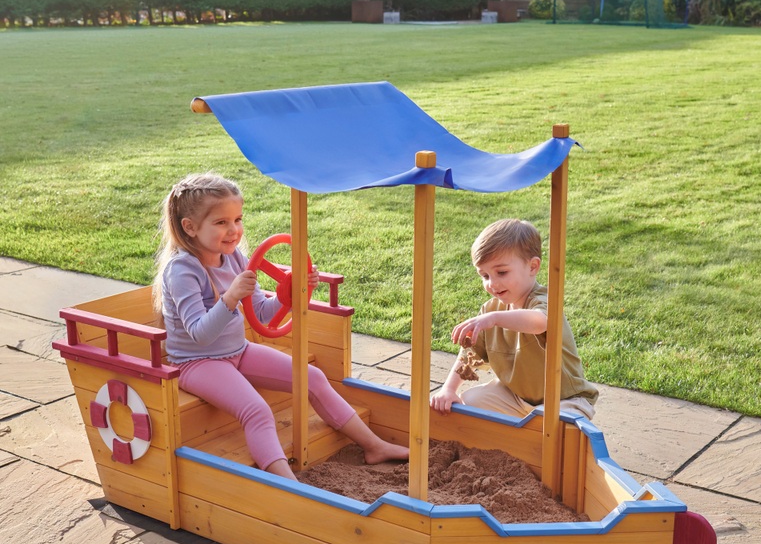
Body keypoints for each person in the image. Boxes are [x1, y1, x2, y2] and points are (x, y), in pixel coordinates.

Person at [153, 173, 408, 481]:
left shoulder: (233, 258)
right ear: (190, 227)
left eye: (237, 219)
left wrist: (288, 294)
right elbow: (200, 334)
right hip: (198, 362)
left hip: (238, 351)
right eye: (221, 223)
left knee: (311, 377)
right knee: (257, 410)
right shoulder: (182, 271)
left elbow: (261, 311)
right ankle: (288, 484)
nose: (233, 230)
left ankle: (374, 446)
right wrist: (232, 296)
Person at [430, 218, 598, 420]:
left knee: (554, 426)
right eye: (485, 276)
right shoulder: (490, 309)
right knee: (471, 401)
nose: (492, 283)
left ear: (533, 267)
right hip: (517, 398)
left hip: (565, 400)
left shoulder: (544, 300)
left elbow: (539, 322)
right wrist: (449, 389)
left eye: (501, 272)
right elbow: (470, 353)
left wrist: (493, 319)